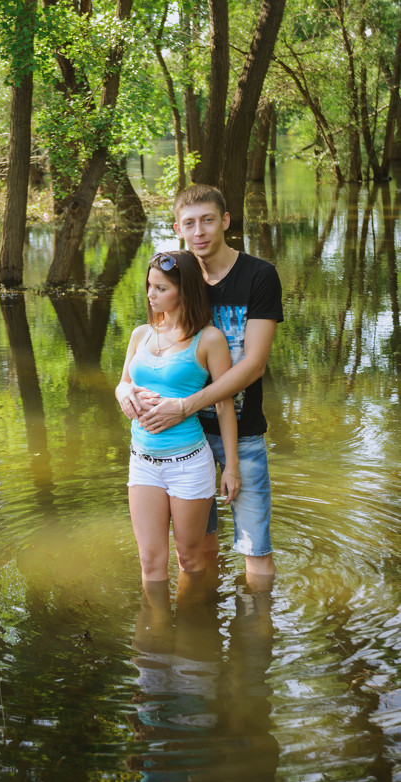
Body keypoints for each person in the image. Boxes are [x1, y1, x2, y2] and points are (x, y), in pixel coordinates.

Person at [120, 185, 283, 584]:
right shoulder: (180, 274)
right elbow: (145, 353)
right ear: (178, 227)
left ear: (225, 221)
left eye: (208, 220)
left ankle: (256, 638)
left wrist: (187, 405)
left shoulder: (258, 276)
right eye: (189, 224)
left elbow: (254, 364)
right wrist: (124, 389)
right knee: (198, 551)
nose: (200, 232)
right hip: (180, 441)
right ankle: (201, 630)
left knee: (254, 548)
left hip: (238, 432)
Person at [115, 250, 240, 583]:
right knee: (150, 564)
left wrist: (231, 467)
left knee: (189, 559)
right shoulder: (141, 334)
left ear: (184, 291)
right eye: (149, 286)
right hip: (142, 461)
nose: (150, 295)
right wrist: (125, 393)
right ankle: (154, 632)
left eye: (160, 288)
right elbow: (123, 384)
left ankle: (191, 628)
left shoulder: (208, 339)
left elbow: (224, 404)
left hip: (187, 463)